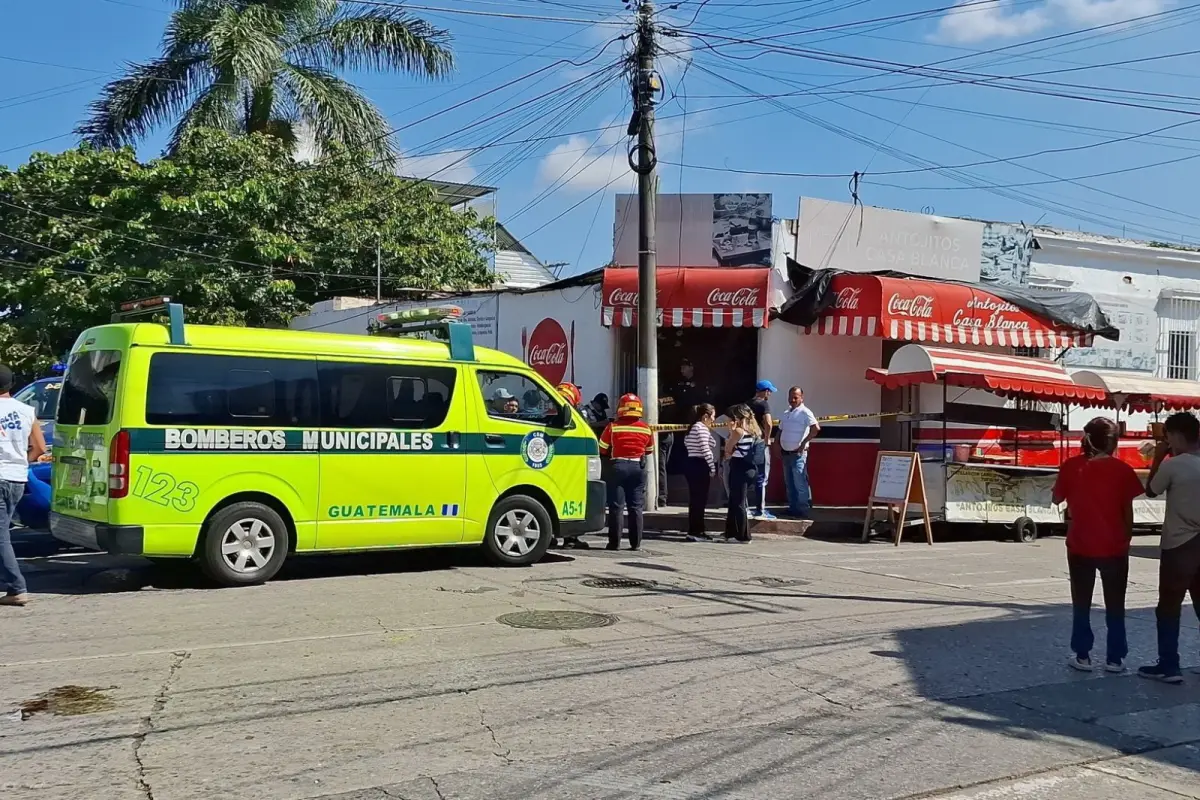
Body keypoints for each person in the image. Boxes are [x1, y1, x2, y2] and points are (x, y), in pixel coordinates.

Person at [1052, 417, 1144, 673]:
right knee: (1116, 604)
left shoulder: (1071, 466)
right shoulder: (1123, 470)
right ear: (1114, 442)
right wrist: (1125, 540)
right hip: (1114, 546)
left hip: (1080, 544)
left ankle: (1082, 655)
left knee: (1081, 602)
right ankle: (1115, 658)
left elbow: (1056, 497)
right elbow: (1128, 512)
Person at [1139, 411, 1200, 684]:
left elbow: (1151, 490)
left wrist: (1159, 455)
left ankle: (1169, 665)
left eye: (1167, 437)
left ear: (1175, 435)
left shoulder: (1174, 465)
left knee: (1169, 606)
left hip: (1180, 543)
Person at [2, 363, 47, 607]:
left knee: (0, 536)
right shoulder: (26, 411)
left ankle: (17, 587)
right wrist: (21, 461)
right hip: (17, 478)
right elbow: (40, 448)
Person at [598, 394, 655, 551]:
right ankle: (635, 544)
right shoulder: (646, 428)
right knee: (636, 507)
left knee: (616, 507)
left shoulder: (613, 427)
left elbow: (602, 448)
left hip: (618, 467)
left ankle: (614, 543)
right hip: (638, 468)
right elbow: (649, 450)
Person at [660, 359, 708, 507]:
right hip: (677, 423)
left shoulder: (699, 384)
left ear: (691, 367)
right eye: (680, 367)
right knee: (678, 450)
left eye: (684, 367)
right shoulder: (676, 384)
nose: (682, 370)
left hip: (693, 424)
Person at [776, 387, 820, 519]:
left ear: (802, 397)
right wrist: (776, 444)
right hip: (786, 453)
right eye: (791, 397)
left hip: (798, 454)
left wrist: (803, 443)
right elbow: (780, 430)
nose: (793, 399)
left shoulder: (805, 412)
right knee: (789, 482)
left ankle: (803, 510)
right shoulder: (786, 413)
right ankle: (793, 508)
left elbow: (815, 428)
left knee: (800, 482)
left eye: (796, 397)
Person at [723, 404, 762, 543]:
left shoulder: (739, 431)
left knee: (738, 502)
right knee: (736, 500)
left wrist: (730, 431)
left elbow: (728, 449)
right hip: (750, 468)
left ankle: (743, 536)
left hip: (739, 467)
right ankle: (731, 532)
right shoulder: (755, 431)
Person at [684, 404, 717, 542]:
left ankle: (695, 529)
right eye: (713, 416)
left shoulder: (693, 427)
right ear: (705, 416)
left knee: (695, 500)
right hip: (700, 465)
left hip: (692, 464)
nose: (714, 420)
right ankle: (697, 531)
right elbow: (706, 449)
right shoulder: (700, 428)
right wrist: (712, 468)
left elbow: (712, 443)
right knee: (700, 500)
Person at [748, 380, 777, 519]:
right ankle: (760, 510)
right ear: (764, 391)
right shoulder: (763, 404)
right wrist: (767, 438)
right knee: (762, 477)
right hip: (760, 442)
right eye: (769, 391)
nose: (770, 394)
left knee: (748, 474)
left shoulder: (747, 404)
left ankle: (746, 508)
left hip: (747, 443)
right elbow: (769, 423)